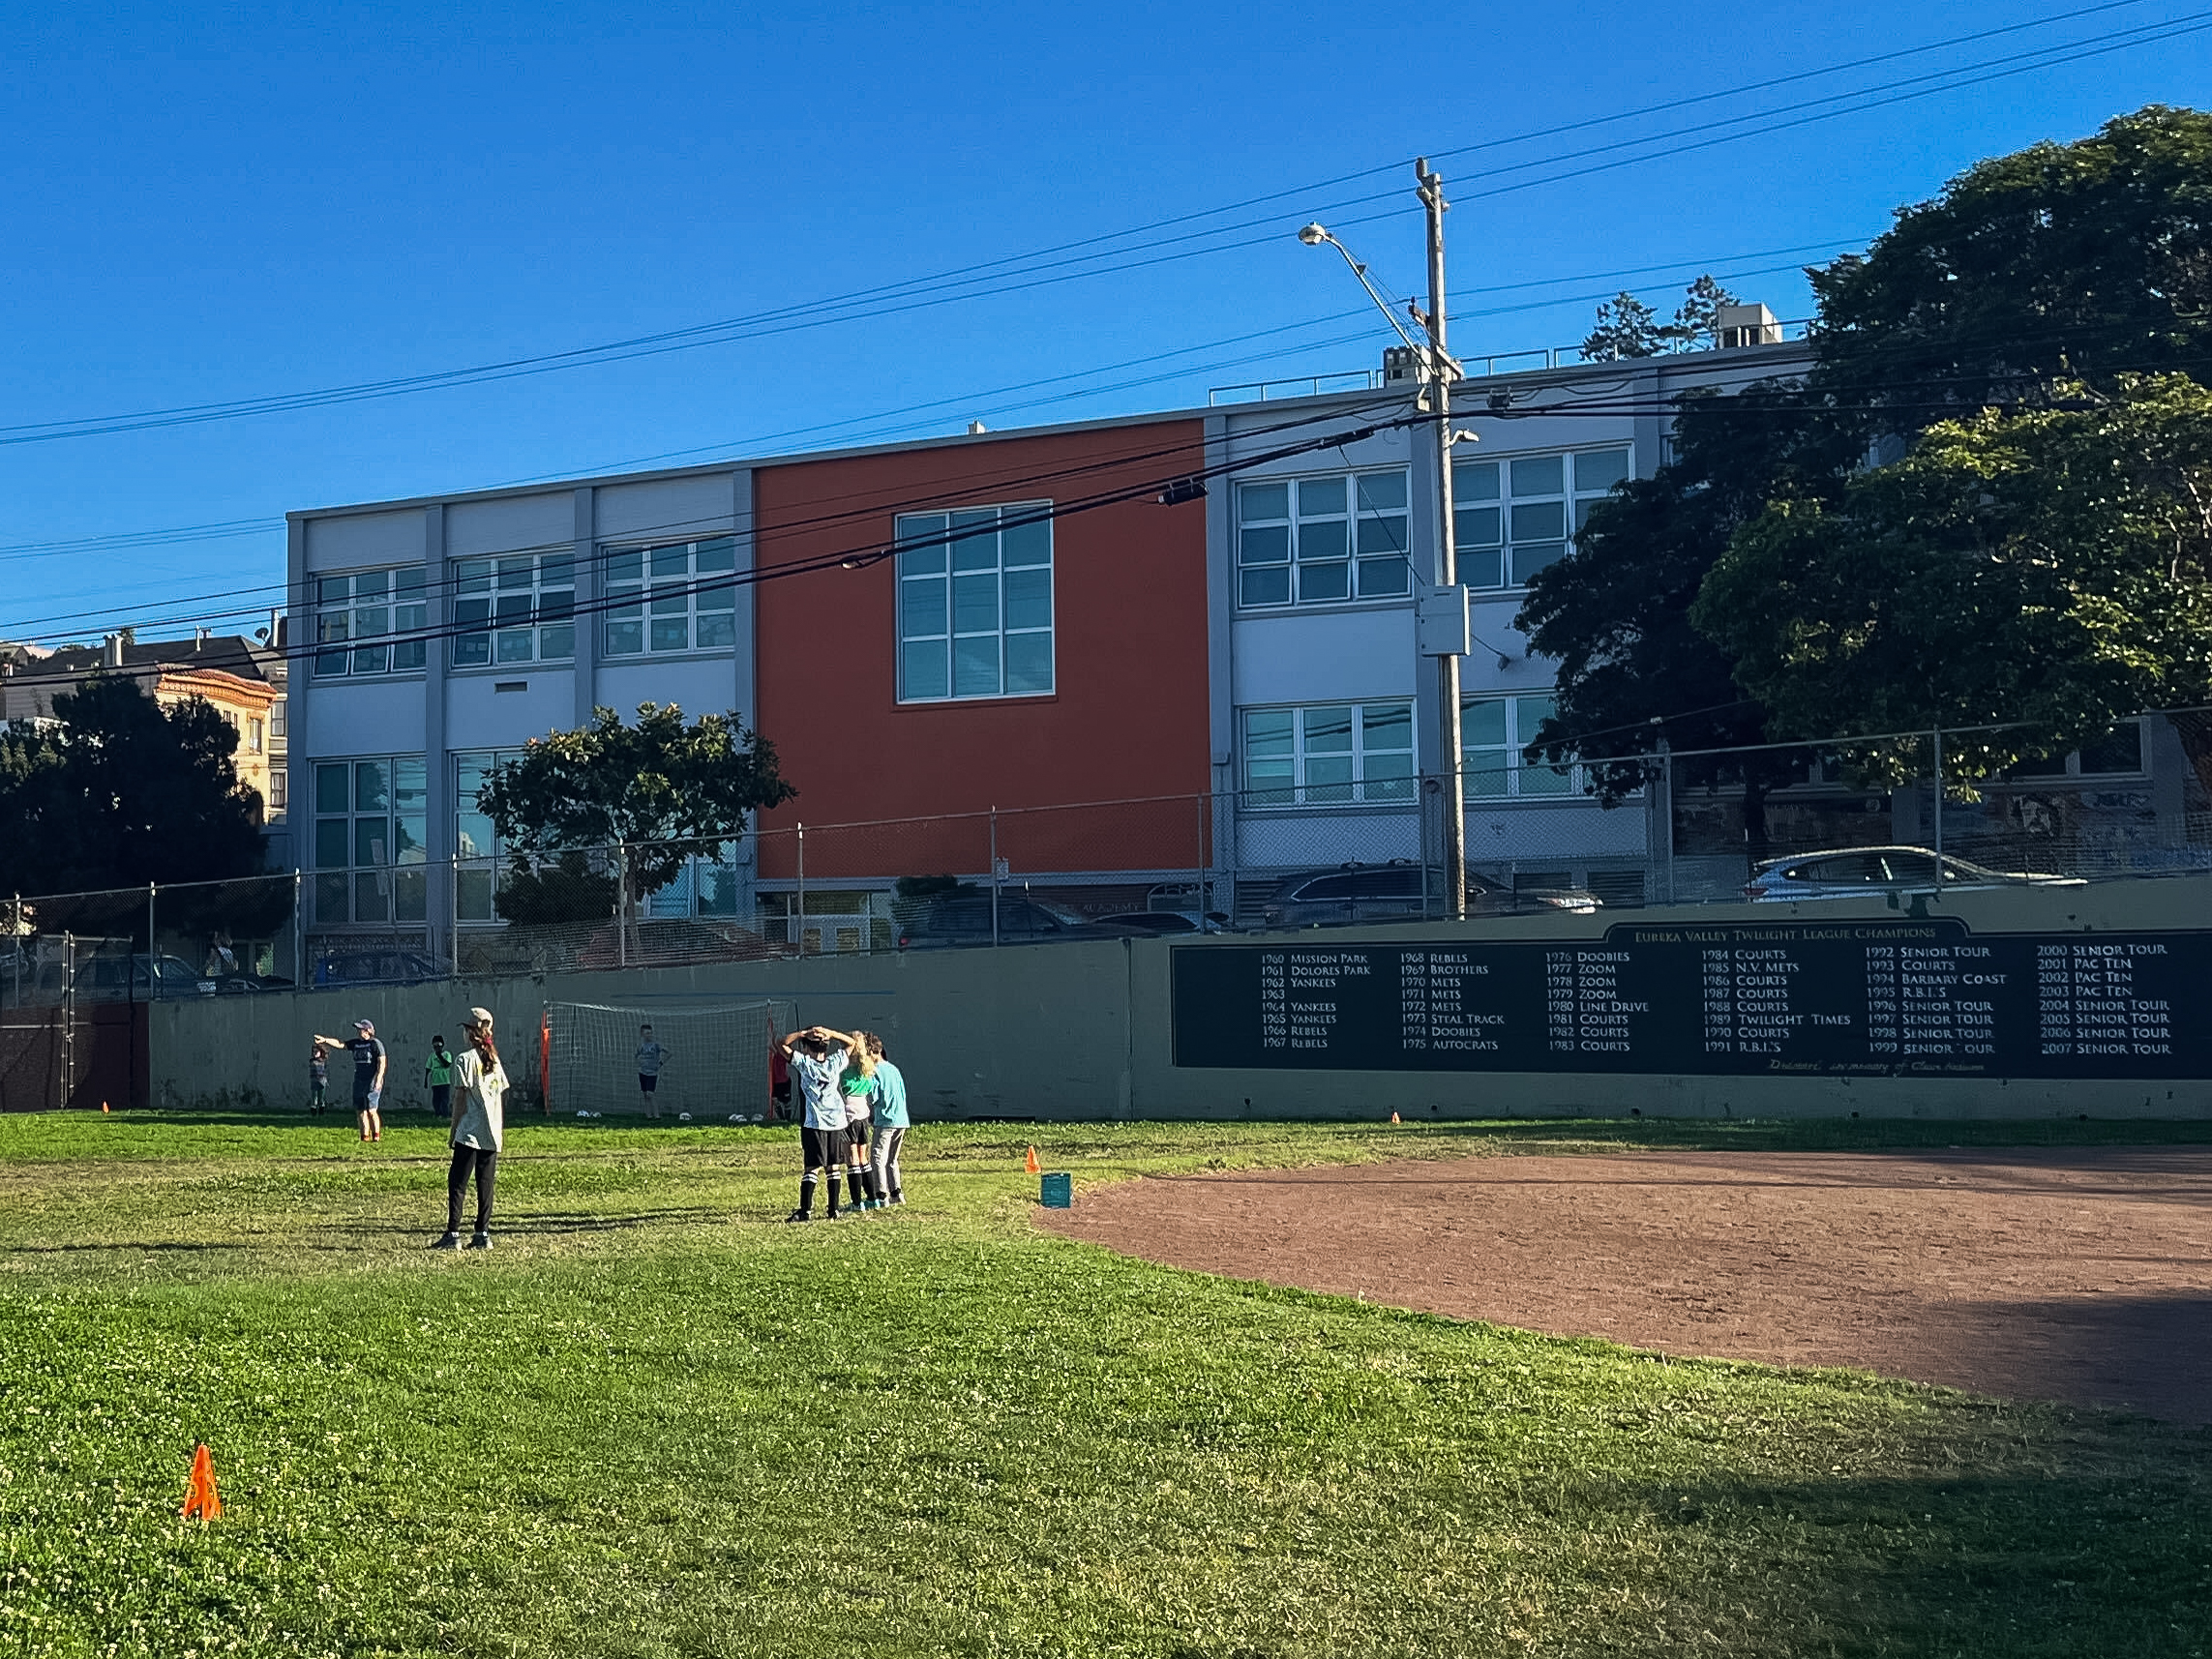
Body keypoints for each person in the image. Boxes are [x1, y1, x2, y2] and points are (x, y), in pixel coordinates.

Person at [433, 1006, 508, 1250]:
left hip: (470, 1131)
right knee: (485, 1184)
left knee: (457, 1182)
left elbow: (460, 1100)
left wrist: (453, 1131)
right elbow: (499, 1096)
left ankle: (453, 1234)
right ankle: (482, 1234)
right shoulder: (494, 1060)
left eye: (466, 1029)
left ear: (472, 1032)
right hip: (492, 1132)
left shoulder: (464, 1059)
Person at [778, 1024, 858, 1222]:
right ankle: (833, 1209)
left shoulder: (804, 1063)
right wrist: (830, 1033)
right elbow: (852, 1043)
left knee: (812, 1167)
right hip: (837, 1122)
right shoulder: (835, 1062)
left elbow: (780, 1043)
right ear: (825, 1048)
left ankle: (805, 1210)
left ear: (806, 1047)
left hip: (814, 1123)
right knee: (833, 1167)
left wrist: (804, 1033)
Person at [313, 1018, 387, 1142]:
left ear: (368, 1031)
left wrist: (378, 1079)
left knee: (371, 1110)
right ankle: (365, 1138)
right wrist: (325, 1040)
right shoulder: (356, 1043)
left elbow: (382, 1062)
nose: (358, 1032)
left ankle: (376, 1137)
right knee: (360, 1110)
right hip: (359, 1080)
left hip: (371, 1080)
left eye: (361, 1029)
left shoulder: (375, 1044)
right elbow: (341, 1044)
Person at [837, 1032, 881, 1212]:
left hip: (849, 1115)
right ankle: (872, 1198)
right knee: (864, 1158)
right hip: (863, 1114)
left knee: (852, 1159)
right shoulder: (867, 1068)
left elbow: (842, 1088)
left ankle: (856, 1202)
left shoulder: (845, 1069)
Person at [866, 1032, 910, 1207]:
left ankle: (881, 1194)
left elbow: (874, 1096)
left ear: (872, 1053)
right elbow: (902, 1093)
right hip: (901, 1119)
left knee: (877, 1157)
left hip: (886, 1119)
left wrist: (870, 1113)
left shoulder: (874, 1072)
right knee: (892, 1159)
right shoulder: (894, 1069)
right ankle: (897, 1192)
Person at [635, 1023, 668, 1118]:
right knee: (645, 1094)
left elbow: (669, 1053)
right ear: (642, 1034)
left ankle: (657, 1115)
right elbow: (636, 1055)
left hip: (652, 1073)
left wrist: (660, 1063)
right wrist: (640, 1064)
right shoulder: (641, 1046)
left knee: (650, 1094)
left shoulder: (656, 1045)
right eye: (647, 1033)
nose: (649, 1035)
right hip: (642, 1072)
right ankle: (648, 1115)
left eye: (650, 1033)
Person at [424, 1035, 454, 1122]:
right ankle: (438, 1113)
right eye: (435, 1045)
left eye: (439, 1045)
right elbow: (428, 1068)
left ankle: (445, 1114)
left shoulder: (447, 1054)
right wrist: (425, 1080)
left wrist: (440, 1056)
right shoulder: (432, 1056)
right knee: (436, 1099)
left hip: (444, 1081)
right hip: (435, 1082)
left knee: (445, 1099)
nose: (437, 1047)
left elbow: (447, 1064)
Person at [308, 1043, 329, 1115]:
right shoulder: (312, 1061)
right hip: (314, 1082)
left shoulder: (323, 1061)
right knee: (314, 1098)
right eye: (313, 1052)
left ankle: (321, 1112)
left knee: (321, 1098)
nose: (314, 1054)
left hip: (322, 1082)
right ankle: (313, 1112)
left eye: (316, 1052)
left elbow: (325, 1071)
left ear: (320, 1052)